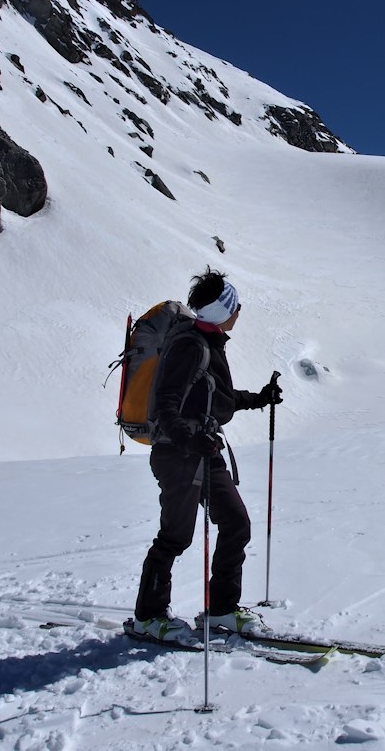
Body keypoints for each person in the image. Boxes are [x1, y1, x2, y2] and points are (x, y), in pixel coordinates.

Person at [131, 268, 283, 641]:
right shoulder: (190, 346)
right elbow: (166, 403)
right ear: (222, 311)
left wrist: (260, 399)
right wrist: (188, 440)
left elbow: (218, 400)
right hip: (180, 455)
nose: (239, 311)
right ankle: (148, 618)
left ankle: (222, 612)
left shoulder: (208, 342)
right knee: (175, 537)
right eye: (235, 305)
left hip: (203, 449)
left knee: (235, 523)